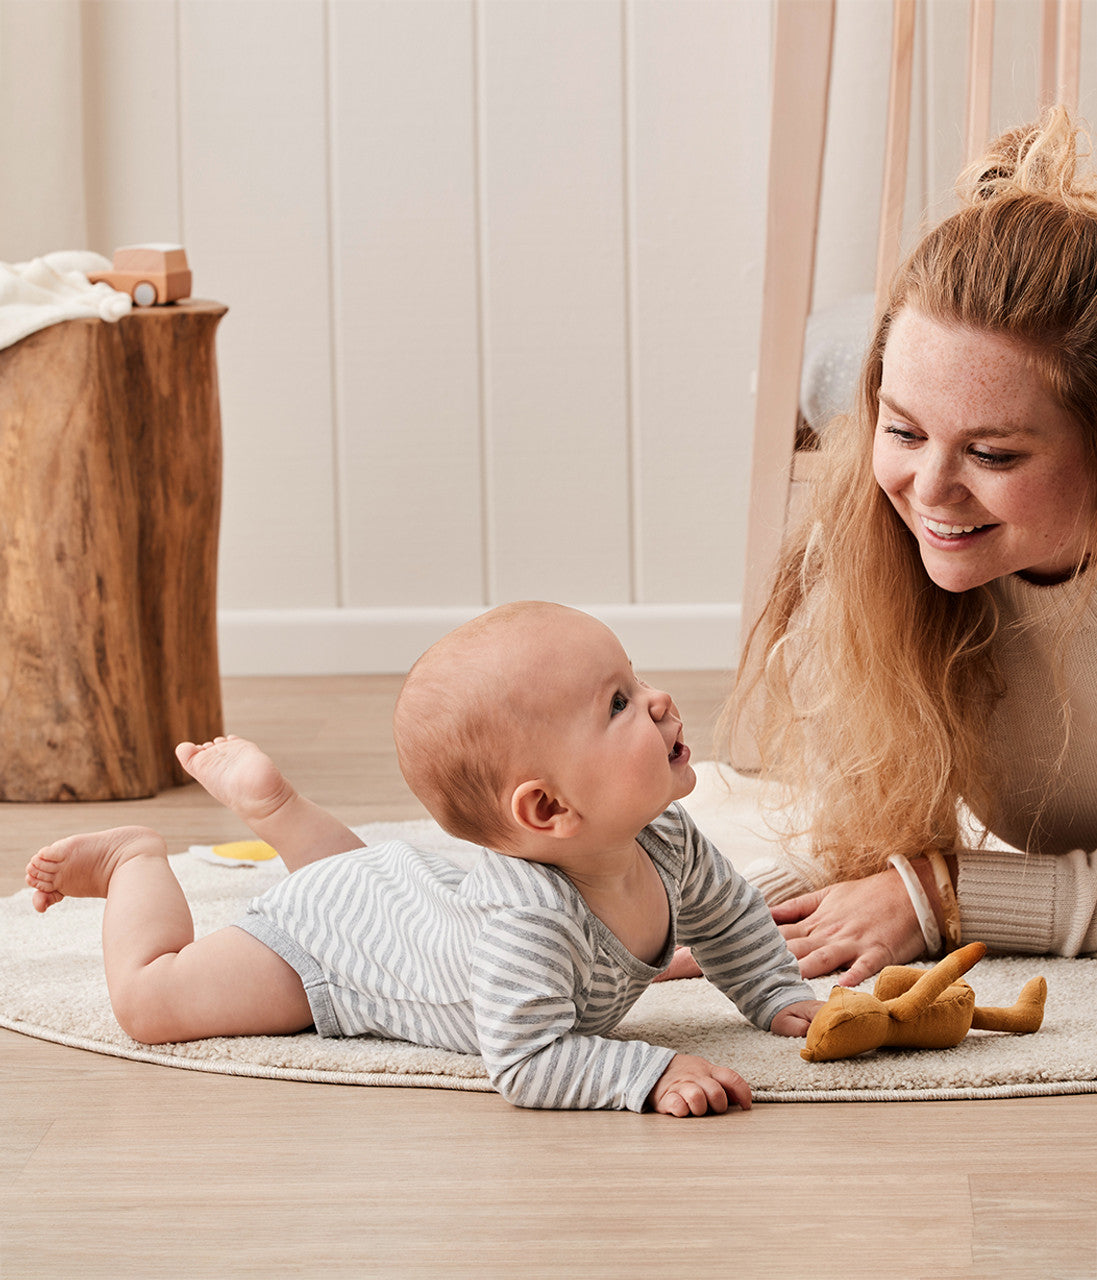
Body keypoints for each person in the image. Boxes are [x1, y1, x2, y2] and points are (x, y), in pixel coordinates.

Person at [24, 601, 821, 1117]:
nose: (657, 699)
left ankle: (281, 815)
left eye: (633, 679)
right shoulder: (530, 921)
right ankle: (135, 860)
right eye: (618, 703)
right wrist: (641, 1073)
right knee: (150, 1004)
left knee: (368, 886)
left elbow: (727, 916)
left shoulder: (665, 836)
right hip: (325, 951)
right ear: (547, 809)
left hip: (397, 892)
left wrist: (774, 995)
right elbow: (527, 1060)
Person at [721, 105, 1097, 988]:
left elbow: (917, 888)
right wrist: (696, 914)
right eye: (902, 429)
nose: (928, 492)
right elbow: (862, 852)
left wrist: (944, 894)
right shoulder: (861, 555)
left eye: (992, 453)